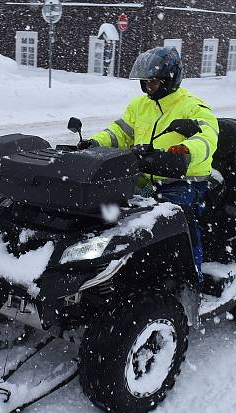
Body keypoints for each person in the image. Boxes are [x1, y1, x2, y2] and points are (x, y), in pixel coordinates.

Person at [85, 46, 219, 282]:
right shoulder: (140, 105)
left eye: (154, 82)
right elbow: (120, 132)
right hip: (144, 178)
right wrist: (96, 143)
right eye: (145, 81)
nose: (148, 86)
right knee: (108, 214)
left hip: (182, 182)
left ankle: (191, 277)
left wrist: (184, 152)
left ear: (169, 80)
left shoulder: (192, 106)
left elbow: (207, 137)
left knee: (178, 220)